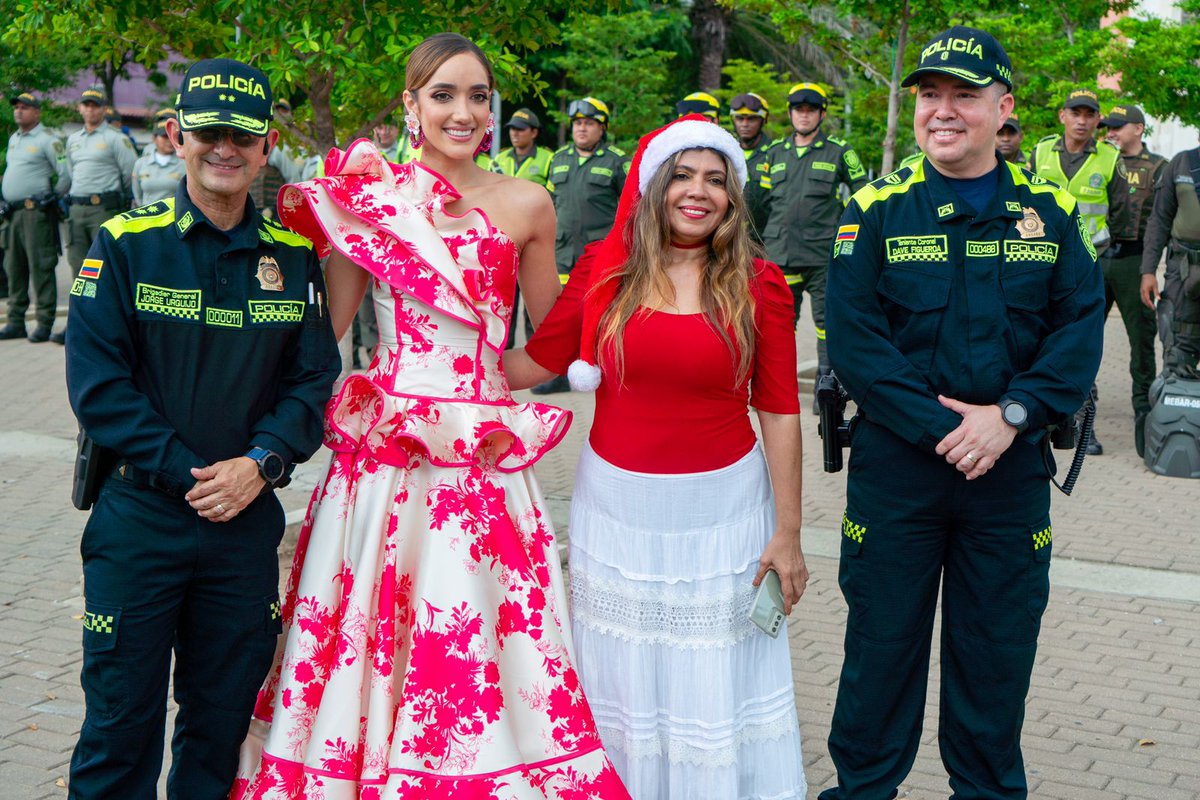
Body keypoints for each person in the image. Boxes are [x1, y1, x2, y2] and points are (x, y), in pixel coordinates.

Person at [228, 33, 629, 799]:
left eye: (478, 96)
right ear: (411, 105)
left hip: (481, 458)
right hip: (387, 459)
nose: (463, 111)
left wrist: (495, 377)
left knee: (477, 630)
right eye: (443, 94)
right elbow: (324, 337)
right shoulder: (370, 201)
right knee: (376, 623)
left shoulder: (528, 203)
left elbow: (545, 348)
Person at [821, 26, 1104, 799]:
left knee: (996, 658)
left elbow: (1080, 327)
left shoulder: (1050, 212)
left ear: (1003, 108)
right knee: (879, 655)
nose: (942, 110)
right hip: (898, 473)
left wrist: (1010, 414)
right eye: (929, 95)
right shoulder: (874, 210)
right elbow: (858, 343)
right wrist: (953, 429)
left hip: (1007, 476)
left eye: (964, 95)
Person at [505, 115, 809, 799]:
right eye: (682, 175)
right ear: (652, 187)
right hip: (617, 517)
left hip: (724, 519)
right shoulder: (602, 272)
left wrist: (789, 533)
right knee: (622, 680)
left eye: (715, 180)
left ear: (732, 196)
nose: (698, 192)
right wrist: (432, 366)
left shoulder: (760, 283)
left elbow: (780, 411)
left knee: (714, 681)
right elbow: (535, 363)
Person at [64, 57, 341, 799]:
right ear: (176, 136)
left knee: (220, 733)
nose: (226, 148)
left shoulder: (294, 257)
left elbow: (313, 380)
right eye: (210, 133)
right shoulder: (126, 242)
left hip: (242, 525)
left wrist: (261, 462)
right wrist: (189, 470)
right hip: (140, 520)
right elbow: (99, 389)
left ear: (267, 146)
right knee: (119, 729)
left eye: (243, 136)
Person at [1030, 88, 1130, 455]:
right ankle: (1038, 419)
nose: (1082, 121)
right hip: (1043, 264)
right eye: (1076, 113)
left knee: (1082, 343)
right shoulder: (1041, 151)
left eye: (1090, 115)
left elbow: (1121, 212)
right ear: (1063, 116)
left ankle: (1084, 427)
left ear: (1098, 120)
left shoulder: (1110, 157)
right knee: (1038, 339)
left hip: (1089, 266)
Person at [758, 81, 867, 402]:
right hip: (780, 254)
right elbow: (762, 204)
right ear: (790, 113)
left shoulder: (840, 150)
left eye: (810, 110)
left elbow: (864, 196)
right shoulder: (774, 153)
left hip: (822, 255)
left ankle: (826, 391)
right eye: (798, 110)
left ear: (822, 114)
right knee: (778, 325)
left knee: (827, 323)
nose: (804, 115)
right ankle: (776, 389)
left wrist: (847, 234)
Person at [539, 96, 628, 393]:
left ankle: (605, 370)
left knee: (603, 312)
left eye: (589, 123)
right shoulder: (559, 158)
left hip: (601, 253)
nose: (581, 128)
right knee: (561, 315)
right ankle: (559, 373)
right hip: (563, 251)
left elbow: (632, 208)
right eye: (578, 123)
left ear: (602, 128)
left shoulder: (617, 161)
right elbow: (550, 203)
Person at [1099, 104, 1165, 456]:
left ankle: (1144, 409)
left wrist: (1150, 269)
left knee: (1141, 339)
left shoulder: (1158, 167)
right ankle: (1078, 407)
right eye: (1107, 126)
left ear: (1138, 129)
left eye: (1117, 126)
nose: (1110, 132)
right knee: (1081, 335)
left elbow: (1163, 220)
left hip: (1135, 261)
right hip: (1097, 258)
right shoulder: (1099, 161)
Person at [59, 86, 138, 344]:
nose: (90, 109)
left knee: (104, 269)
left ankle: (105, 327)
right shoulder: (73, 139)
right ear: (79, 108)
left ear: (104, 109)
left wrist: (117, 201)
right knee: (78, 267)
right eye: (86, 105)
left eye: (95, 105)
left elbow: (130, 173)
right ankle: (78, 324)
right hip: (77, 209)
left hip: (104, 209)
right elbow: (69, 173)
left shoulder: (115, 138)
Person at [1, 91, 70, 342]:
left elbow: (65, 173)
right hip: (13, 212)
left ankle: (44, 322)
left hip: (35, 213)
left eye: (25, 107)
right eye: (16, 107)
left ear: (37, 112)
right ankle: (15, 321)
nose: (18, 111)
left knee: (41, 266)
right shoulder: (14, 139)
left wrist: (52, 196)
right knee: (13, 267)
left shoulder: (48, 139)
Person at [492, 107, 554, 347]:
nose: (515, 134)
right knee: (503, 300)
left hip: (533, 239)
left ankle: (535, 352)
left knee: (534, 300)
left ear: (534, 132)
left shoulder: (547, 159)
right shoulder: (500, 159)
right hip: (504, 237)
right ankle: (503, 353)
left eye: (521, 129)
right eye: (512, 129)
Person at [1141, 138, 1200, 379]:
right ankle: (1176, 393)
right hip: (1182, 267)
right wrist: (1148, 271)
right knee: (1177, 340)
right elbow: (1159, 220)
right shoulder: (1182, 163)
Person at [729, 92, 773, 233]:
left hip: (766, 235)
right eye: (740, 118)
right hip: (731, 235)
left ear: (763, 120)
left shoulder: (775, 152)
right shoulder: (727, 152)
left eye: (752, 119)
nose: (745, 124)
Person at [131, 120, 184, 206]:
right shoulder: (141, 163)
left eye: (172, 136)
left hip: (174, 212)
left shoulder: (184, 163)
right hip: (147, 212)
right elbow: (137, 194)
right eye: (165, 137)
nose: (169, 140)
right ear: (154, 139)